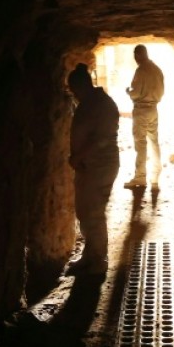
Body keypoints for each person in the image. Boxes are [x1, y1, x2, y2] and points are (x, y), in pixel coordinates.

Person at [66, 63, 120, 276]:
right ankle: (89, 255)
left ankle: (98, 260)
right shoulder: (88, 103)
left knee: (94, 213)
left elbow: (102, 139)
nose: (73, 94)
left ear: (81, 86)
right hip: (88, 166)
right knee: (84, 211)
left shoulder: (103, 105)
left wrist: (79, 155)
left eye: (74, 90)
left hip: (100, 166)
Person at [123, 44, 165, 190]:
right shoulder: (157, 69)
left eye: (135, 55)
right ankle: (155, 178)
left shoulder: (141, 70)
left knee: (141, 144)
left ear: (138, 55)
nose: (135, 59)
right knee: (154, 142)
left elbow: (136, 93)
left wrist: (128, 91)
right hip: (153, 109)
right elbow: (161, 91)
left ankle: (140, 178)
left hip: (141, 110)